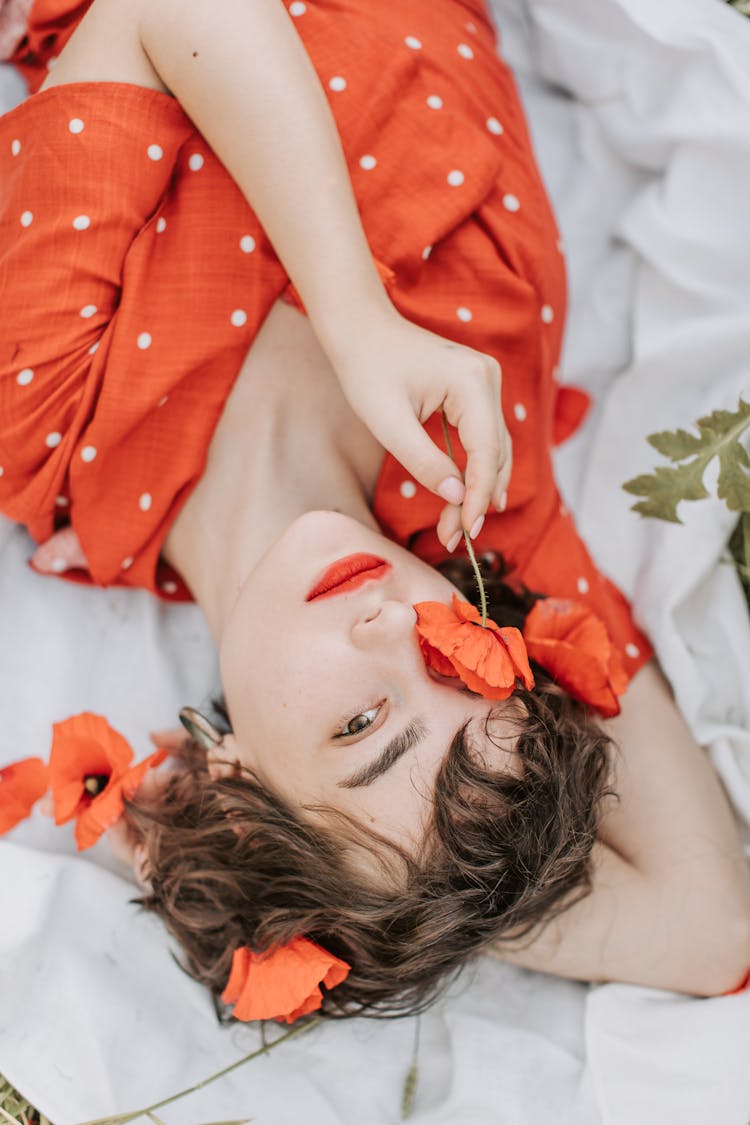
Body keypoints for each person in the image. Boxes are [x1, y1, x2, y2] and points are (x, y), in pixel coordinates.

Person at [1, 0, 749, 1021]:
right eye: (461, 670)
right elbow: (715, 930)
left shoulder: (50, 429)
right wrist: (429, 896)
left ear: (236, 784)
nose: (397, 625)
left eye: (363, 723)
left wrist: (357, 907)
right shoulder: (476, 499)